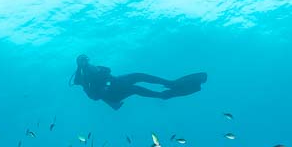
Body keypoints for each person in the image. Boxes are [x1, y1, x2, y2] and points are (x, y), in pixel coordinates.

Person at [71, 55, 207, 110]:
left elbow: (107, 70)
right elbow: (93, 97)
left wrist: (101, 71)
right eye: (83, 61)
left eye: (86, 60)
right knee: (135, 89)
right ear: (80, 65)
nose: (87, 63)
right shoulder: (84, 79)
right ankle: (163, 95)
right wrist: (104, 89)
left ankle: (170, 83)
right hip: (111, 95)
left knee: (138, 75)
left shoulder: (93, 68)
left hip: (116, 82)